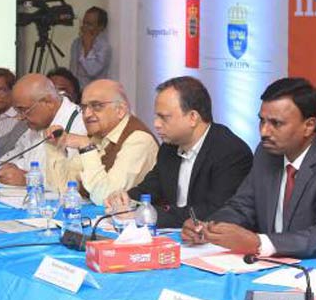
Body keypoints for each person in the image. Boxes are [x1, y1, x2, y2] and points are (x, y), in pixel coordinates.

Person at [183, 78, 316, 258]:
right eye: (262, 121)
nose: (264, 131)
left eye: (276, 123)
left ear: (309, 126)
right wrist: (207, 228)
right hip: (270, 266)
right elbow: (242, 207)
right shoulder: (266, 154)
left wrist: (259, 243)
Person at [104, 76, 253, 228]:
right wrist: (125, 199)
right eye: (156, 116)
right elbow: (149, 189)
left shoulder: (230, 152)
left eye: (164, 117)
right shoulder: (169, 147)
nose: (156, 124)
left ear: (193, 117)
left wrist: (149, 215)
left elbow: (214, 211)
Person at [48, 79, 158, 205]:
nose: (86, 114)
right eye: (83, 108)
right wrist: (56, 147)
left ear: (120, 110)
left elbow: (106, 198)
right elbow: (65, 190)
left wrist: (86, 148)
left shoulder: (139, 140)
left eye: (97, 106)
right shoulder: (97, 136)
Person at [0, 73, 86, 192]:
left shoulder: (80, 124)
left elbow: (76, 183)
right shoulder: (38, 124)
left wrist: (27, 180)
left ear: (48, 102)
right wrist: (11, 166)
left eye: (24, 110)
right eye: (17, 111)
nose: (21, 117)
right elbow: (23, 158)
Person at [69, 6, 111, 87]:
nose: (84, 27)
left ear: (101, 27)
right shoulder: (77, 43)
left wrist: (87, 46)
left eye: (89, 24)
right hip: (77, 91)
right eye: (84, 23)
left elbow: (92, 70)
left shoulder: (104, 47)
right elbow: (73, 69)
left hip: (95, 91)